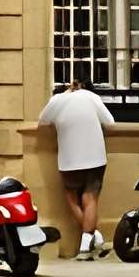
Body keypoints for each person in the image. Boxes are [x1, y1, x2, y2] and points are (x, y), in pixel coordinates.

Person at [35, 77, 116, 261]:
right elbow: (110, 123)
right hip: (95, 156)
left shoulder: (56, 100)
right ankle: (90, 240)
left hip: (69, 158)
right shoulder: (92, 97)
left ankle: (89, 241)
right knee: (90, 198)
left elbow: (42, 122)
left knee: (72, 197)